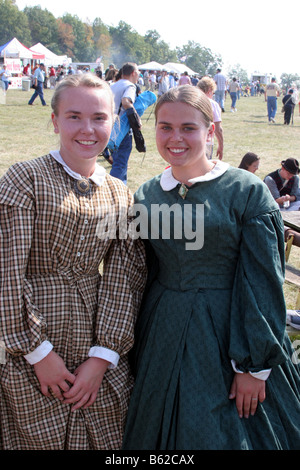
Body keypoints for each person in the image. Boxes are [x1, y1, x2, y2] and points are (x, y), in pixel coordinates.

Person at [122, 85, 300, 450]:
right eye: (165, 127)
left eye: (188, 127)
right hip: (165, 330)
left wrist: (253, 367)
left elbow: (264, 280)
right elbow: (145, 272)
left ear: (210, 131)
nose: (175, 138)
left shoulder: (245, 191)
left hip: (232, 330)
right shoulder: (147, 194)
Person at [0, 73, 146, 450]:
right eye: (74, 116)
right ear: (54, 121)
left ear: (114, 122)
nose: (87, 128)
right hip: (30, 347)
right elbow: (7, 270)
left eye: (99, 117)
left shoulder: (119, 193)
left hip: (95, 339)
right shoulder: (24, 179)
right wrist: (37, 352)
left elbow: (124, 276)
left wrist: (103, 356)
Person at [109, 62, 140, 185]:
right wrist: (137, 119)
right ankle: (115, 191)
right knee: (121, 164)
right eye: (138, 72)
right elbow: (126, 101)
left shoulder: (113, 85)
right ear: (133, 73)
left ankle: (121, 187)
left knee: (118, 162)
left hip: (111, 127)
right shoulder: (130, 86)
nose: (139, 74)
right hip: (123, 128)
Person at [198, 76, 223, 159]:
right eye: (213, 92)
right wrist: (221, 145)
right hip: (207, 142)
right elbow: (218, 129)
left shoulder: (191, 102)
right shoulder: (213, 104)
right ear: (209, 90)